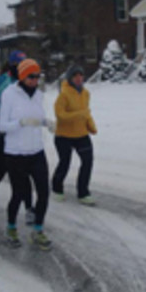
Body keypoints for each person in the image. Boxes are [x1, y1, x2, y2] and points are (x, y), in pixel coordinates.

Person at [0, 58, 55, 251]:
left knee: (44, 193)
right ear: (22, 76)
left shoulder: (38, 95)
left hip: (36, 151)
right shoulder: (9, 94)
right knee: (19, 194)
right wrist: (20, 123)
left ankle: (37, 230)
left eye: (38, 76)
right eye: (31, 76)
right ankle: (11, 227)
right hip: (16, 153)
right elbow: (1, 126)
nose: (35, 80)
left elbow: (36, 119)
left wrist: (46, 122)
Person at [0, 51, 34, 224]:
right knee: (3, 168)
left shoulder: (26, 82)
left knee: (22, 171)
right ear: (11, 65)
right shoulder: (2, 80)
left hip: (17, 132)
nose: (22, 68)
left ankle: (28, 208)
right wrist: (7, 109)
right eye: (19, 65)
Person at [51, 65, 98, 205]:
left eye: (80, 75)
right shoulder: (63, 95)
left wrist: (91, 126)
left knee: (87, 161)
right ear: (70, 78)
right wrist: (79, 115)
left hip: (81, 134)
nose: (78, 78)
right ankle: (57, 188)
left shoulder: (86, 93)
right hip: (63, 135)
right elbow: (60, 115)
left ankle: (83, 192)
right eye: (75, 76)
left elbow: (86, 112)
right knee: (65, 163)